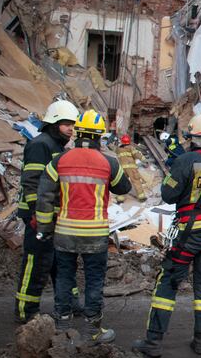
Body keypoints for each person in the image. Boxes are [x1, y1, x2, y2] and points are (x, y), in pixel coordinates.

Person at [132, 113, 201, 358]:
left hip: (188, 232)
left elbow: (168, 195)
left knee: (168, 282)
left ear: (192, 137)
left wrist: (175, 174)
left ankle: (154, 341)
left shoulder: (185, 160)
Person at [35, 110, 131, 343]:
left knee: (64, 278)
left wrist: (45, 228)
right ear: (100, 136)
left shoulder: (59, 160)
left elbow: (44, 196)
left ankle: (62, 327)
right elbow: (124, 188)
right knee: (94, 280)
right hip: (95, 234)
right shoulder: (108, 162)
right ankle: (93, 331)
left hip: (65, 232)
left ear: (76, 134)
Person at [14, 99, 82, 324]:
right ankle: (26, 310)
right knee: (37, 263)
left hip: (52, 216)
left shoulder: (57, 147)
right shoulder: (40, 145)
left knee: (58, 261)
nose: (71, 129)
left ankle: (70, 302)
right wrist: (35, 214)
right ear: (53, 123)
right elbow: (32, 182)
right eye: (66, 124)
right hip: (38, 218)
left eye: (72, 124)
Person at [115, 134, 147, 201]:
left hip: (122, 168)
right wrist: (143, 159)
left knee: (122, 182)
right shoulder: (131, 148)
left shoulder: (118, 149)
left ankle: (120, 197)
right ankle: (141, 196)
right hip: (131, 168)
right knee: (136, 181)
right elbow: (136, 154)